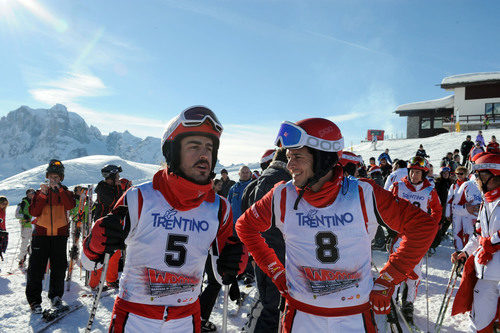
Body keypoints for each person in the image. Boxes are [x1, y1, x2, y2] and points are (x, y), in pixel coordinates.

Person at [236, 118, 437, 332]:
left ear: (323, 157)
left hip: (353, 316)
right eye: (288, 157)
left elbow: (423, 226)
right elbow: (245, 226)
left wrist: (389, 277)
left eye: (297, 157)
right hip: (301, 315)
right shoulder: (282, 194)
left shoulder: (364, 193)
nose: (290, 165)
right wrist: (276, 271)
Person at [82, 106, 245, 332]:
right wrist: (97, 240)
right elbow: (89, 263)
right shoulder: (140, 198)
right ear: (172, 151)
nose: (204, 155)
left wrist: (235, 261)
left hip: (186, 319)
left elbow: (221, 273)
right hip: (135, 317)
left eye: (209, 147)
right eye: (194, 146)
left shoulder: (219, 208)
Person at [241, 148, 292, 333]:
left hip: (268, 256)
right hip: (275, 258)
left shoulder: (260, 181)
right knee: (271, 307)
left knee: (269, 304)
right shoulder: (279, 181)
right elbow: (261, 227)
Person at [388, 156, 442, 324]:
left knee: (414, 274)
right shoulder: (398, 186)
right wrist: (390, 226)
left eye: (418, 173)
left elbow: (437, 211)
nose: (414, 175)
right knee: (394, 270)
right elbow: (388, 205)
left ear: (424, 174)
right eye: (412, 172)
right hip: (400, 235)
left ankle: (408, 304)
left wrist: (430, 230)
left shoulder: (430, 191)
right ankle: (392, 304)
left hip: (417, 239)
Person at [451, 151, 500, 332]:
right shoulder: (485, 202)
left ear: (491, 176)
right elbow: (477, 235)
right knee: (478, 323)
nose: (476, 181)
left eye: (478, 176)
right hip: (486, 274)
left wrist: (493, 242)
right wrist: (465, 252)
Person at [26, 159, 75, 313]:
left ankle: (56, 297)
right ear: (47, 177)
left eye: (57, 177)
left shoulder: (66, 192)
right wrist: (43, 195)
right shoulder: (40, 193)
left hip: (60, 235)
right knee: (36, 268)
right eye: (51, 177)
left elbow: (70, 206)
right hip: (41, 235)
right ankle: (34, 301)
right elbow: (33, 212)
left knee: (59, 268)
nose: (54, 180)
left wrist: (59, 190)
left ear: (61, 179)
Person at [88, 164, 124, 290]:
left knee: (115, 254)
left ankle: (111, 280)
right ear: (112, 176)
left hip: (113, 226)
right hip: (102, 227)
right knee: (100, 255)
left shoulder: (112, 187)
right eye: (117, 176)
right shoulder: (103, 189)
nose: (119, 178)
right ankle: (94, 284)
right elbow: (116, 202)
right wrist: (120, 187)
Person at [446, 166, 482, 251]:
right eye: (457, 174)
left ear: (465, 174)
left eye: (461, 174)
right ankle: (458, 251)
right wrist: (448, 213)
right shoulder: (454, 185)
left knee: (468, 232)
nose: (459, 175)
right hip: (457, 211)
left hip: (467, 212)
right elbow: (449, 200)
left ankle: (466, 252)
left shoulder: (471, 184)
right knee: (457, 232)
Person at [15, 189, 35, 268]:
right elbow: (17, 214)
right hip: (26, 226)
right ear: (27, 194)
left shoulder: (36, 202)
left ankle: (32, 260)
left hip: (35, 226)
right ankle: (21, 259)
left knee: (34, 244)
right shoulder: (23, 203)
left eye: (33, 193)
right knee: (24, 243)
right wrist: (24, 216)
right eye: (30, 193)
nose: (32, 194)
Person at [0, 196, 9, 270]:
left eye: (6, 204)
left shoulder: (3, 210)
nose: (4, 205)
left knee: (1, 246)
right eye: (2, 203)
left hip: (3, 230)